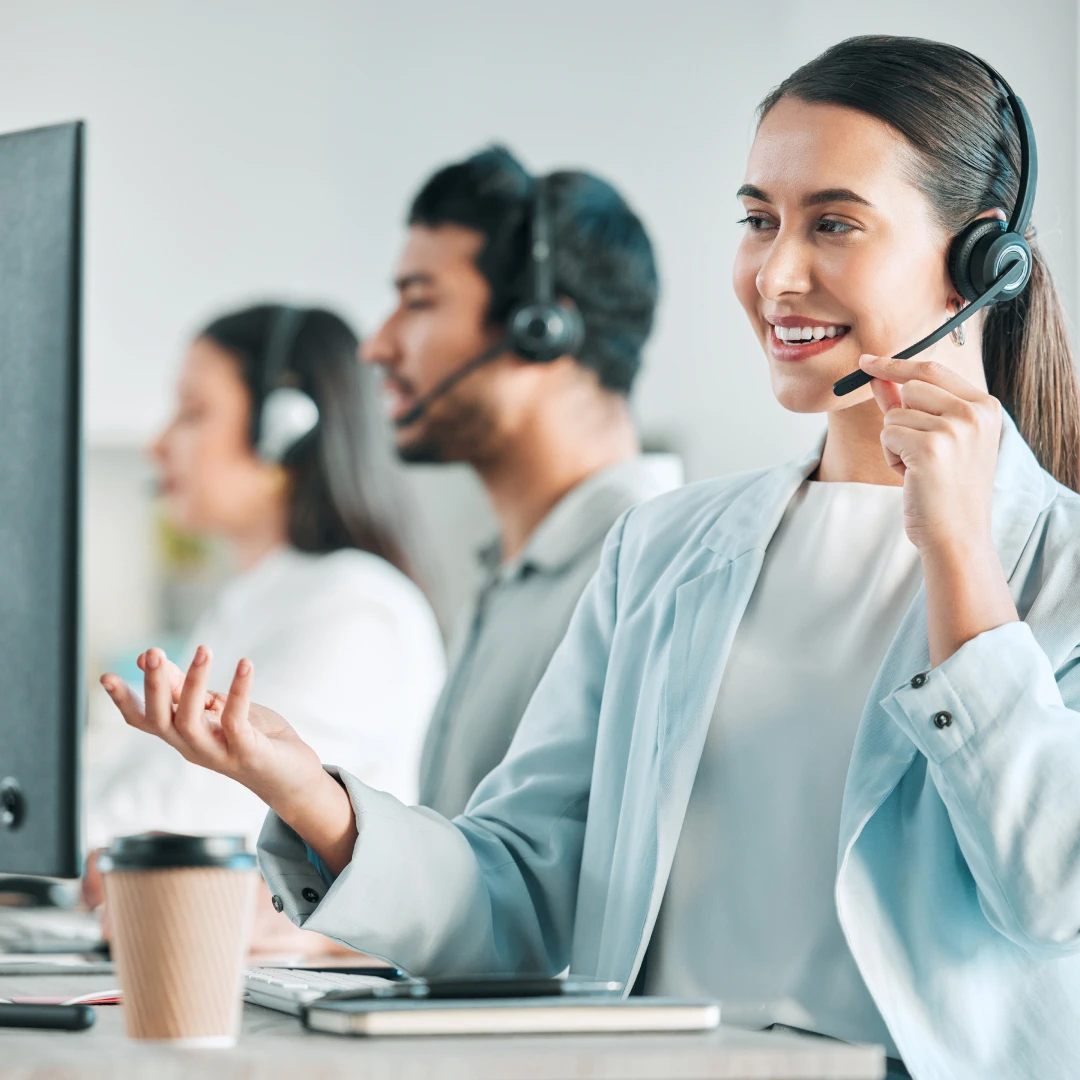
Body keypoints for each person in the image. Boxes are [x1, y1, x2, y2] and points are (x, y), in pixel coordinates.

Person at [100, 38, 1080, 1079]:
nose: (775, 274)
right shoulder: (662, 550)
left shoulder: (1052, 562)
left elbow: (1053, 892)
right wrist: (310, 793)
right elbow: (519, 896)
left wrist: (963, 558)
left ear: (983, 259)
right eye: (758, 221)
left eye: (833, 223)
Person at [360, 148, 682, 816]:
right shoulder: (518, 573)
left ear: (540, 329)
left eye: (418, 302)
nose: (378, 346)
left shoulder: (648, 579)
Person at [87, 303, 445, 851]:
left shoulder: (356, 609)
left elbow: (187, 824)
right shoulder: (251, 599)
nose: (156, 446)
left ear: (283, 430)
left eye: (192, 411)